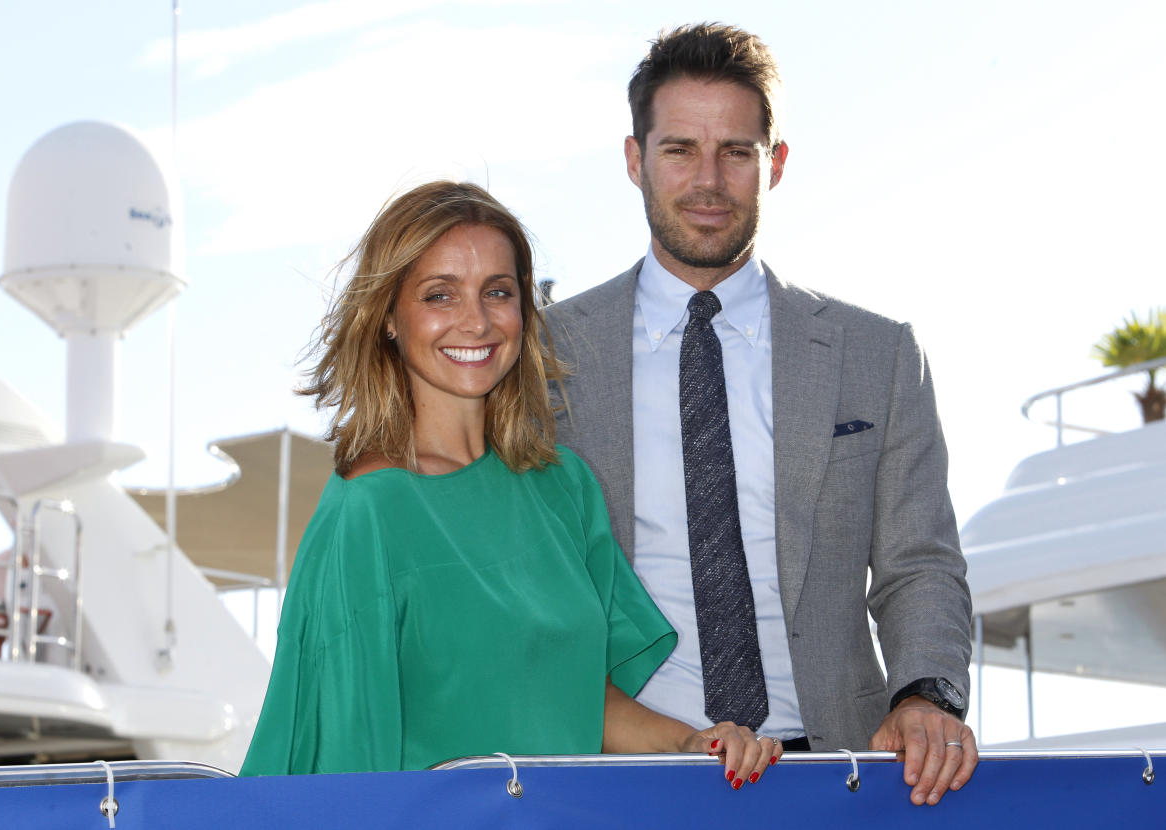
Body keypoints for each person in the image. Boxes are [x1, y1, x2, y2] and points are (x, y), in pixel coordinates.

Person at [544, 24, 977, 806]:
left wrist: (926, 696)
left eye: (736, 152)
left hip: (842, 771)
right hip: (621, 772)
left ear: (773, 163)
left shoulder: (877, 355)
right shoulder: (545, 359)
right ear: (635, 159)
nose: (708, 180)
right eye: (680, 149)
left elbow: (921, 564)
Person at [240, 180, 779, 786]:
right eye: (440, 295)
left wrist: (691, 740)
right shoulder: (366, 511)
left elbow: (576, 698)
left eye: (498, 292)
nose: (475, 322)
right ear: (389, 318)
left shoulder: (564, 487)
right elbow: (342, 757)